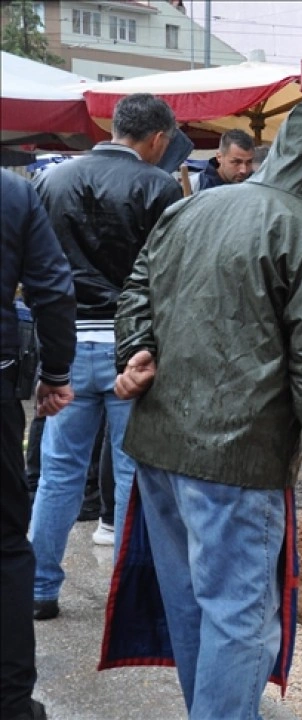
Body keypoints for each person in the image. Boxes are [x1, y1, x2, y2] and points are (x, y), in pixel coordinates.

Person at [108, 99, 302, 718]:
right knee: (240, 618)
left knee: (193, 603)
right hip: (238, 458)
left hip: (160, 447)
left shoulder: (193, 206)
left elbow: (136, 284)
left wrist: (138, 346)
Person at [29, 93, 183, 620]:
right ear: (159, 139)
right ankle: (130, 598)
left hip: (66, 347)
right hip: (130, 350)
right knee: (133, 475)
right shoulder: (159, 185)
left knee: (58, 475)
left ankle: (39, 588)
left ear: (113, 126)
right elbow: (168, 276)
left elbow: (39, 273)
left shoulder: (51, 181)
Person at [1, 170, 76, 720]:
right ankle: (10, 701)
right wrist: (55, 369)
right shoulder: (12, 191)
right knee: (5, 543)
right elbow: (52, 288)